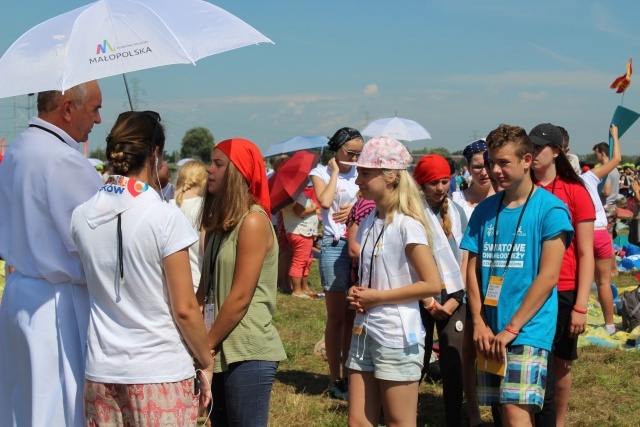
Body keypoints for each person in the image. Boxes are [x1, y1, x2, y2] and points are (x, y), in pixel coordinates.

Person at [71, 111, 214, 425]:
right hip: (158, 371)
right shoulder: (165, 217)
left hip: (101, 372)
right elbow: (185, 308)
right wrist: (206, 360)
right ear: (156, 153)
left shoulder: (80, 216)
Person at [0, 81, 104, 427]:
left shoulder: (19, 148)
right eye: (94, 109)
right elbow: (93, 241)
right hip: (55, 302)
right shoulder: (63, 160)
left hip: (19, 292)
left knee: (21, 403)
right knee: (56, 408)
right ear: (68, 109)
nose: (99, 120)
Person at [461, 124, 573, 427]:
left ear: (526, 159)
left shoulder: (551, 210)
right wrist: (479, 322)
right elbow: (471, 269)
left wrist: (512, 328)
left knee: (515, 409)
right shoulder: (484, 211)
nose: (495, 170)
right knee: (501, 410)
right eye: (491, 162)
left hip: (528, 327)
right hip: (490, 328)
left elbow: (548, 277)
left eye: (504, 162)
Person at [343, 136, 441, 427]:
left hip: (397, 336)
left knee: (399, 421)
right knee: (358, 420)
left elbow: (432, 284)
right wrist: (356, 291)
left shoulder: (407, 225)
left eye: (365, 173)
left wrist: (377, 298)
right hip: (364, 332)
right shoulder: (371, 219)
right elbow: (372, 276)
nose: (357, 179)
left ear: (390, 178)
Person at [199, 138, 286, 426]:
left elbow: (240, 298)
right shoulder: (219, 223)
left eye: (218, 164)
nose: (209, 169)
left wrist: (205, 347)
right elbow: (203, 291)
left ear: (238, 173)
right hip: (219, 347)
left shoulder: (253, 221)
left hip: (247, 351)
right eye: (210, 162)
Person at [530, 123, 595, 427]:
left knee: (561, 363)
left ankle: (559, 420)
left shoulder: (575, 191)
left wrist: (581, 306)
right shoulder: (522, 188)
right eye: (529, 146)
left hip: (565, 289)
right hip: (529, 288)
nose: (532, 152)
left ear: (556, 151)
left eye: (539, 147)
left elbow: (585, 253)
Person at [413, 154, 468, 427]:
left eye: (444, 181)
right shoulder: (412, 213)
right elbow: (406, 261)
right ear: (421, 185)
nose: (440, 188)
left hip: (454, 295)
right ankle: (405, 413)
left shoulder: (457, 212)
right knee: (416, 358)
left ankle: (454, 418)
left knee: (453, 360)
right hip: (421, 296)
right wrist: (428, 301)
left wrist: (457, 299)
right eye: (433, 182)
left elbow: (466, 256)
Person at [309, 127, 363, 399]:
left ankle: (349, 372)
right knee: (336, 316)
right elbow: (325, 201)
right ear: (336, 150)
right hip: (333, 246)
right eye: (350, 153)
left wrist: (355, 209)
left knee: (352, 314)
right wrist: (333, 173)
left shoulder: (361, 173)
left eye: (358, 153)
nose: (354, 159)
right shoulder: (320, 173)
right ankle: (334, 378)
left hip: (358, 246)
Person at [451, 139, 495, 427]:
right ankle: (473, 412)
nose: (484, 172)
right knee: (466, 349)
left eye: (487, 165)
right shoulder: (455, 202)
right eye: (477, 166)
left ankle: (501, 407)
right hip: (461, 281)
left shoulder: (504, 199)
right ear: (468, 168)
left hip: (495, 282)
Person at [576, 125, 621, 334]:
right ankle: (609, 324)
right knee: (604, 282)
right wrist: (615, 136)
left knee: (578, 280)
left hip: (581, 234)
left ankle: (576, 319)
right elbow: (616, 160)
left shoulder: (563, 185)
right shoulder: (589, 178)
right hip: (601, 231)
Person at [170, 159, 208, 292]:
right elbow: (206, 250)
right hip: (197, 284)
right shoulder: (205, 208)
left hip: (170, 284)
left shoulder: (166, 206)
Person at [282, 191, 318, 298]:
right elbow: (299, 212)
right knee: (300, 261)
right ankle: (297, 291)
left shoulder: (297, 194)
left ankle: (304, 287)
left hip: (304, 232)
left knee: (307, 260)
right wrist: (314, 208)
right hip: (301, 232)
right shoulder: (296, 195)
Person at [593, 141, 620, 275]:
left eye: (596, 153)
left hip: (606, 206)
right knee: (609, 238)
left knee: (607, 239)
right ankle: (613, 268)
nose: (595, 156)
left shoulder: (606, 169)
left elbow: (606, 191)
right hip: (613, 206)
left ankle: (612, 269)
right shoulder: (615, 169)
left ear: (602, 153)